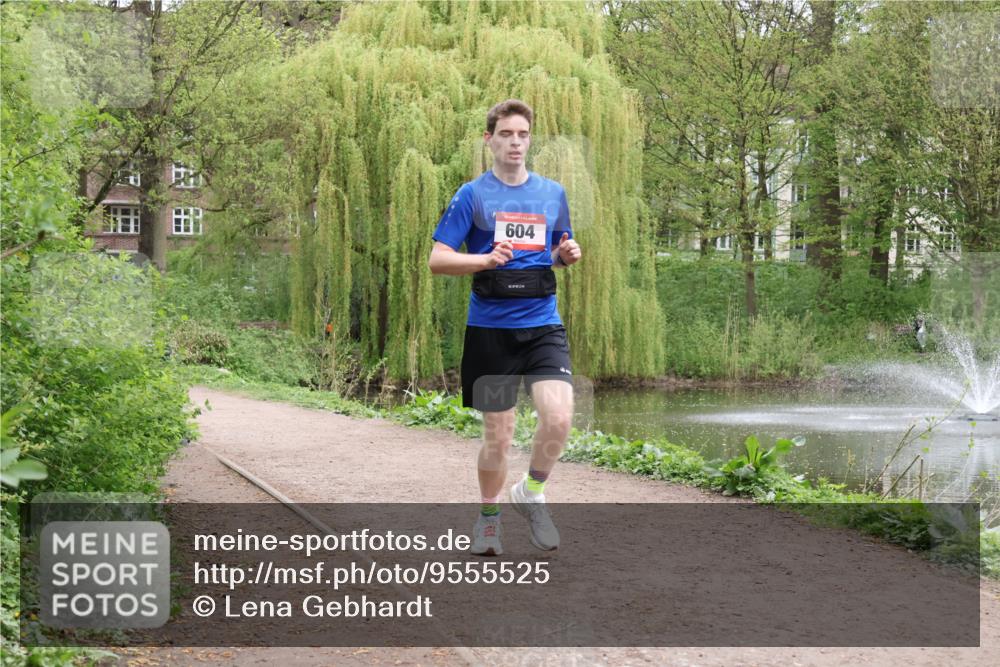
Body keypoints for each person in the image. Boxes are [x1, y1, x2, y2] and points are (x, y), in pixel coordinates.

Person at [428, 99, 582, 556]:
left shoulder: (552, 194)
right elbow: (438, 259)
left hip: (542, 326)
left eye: (523, 134)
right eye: (506, 134)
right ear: (489, 139)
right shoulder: (472, 195)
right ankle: (489, 519)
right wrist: (484, 259)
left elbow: (554, 251)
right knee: (499, 436)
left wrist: (566, 256)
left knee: (558, 417)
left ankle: (531, 492)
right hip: (491, 332)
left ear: (530, 139)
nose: (515, 142)